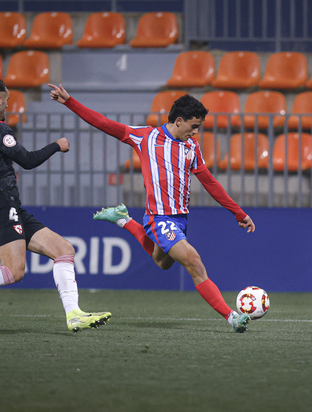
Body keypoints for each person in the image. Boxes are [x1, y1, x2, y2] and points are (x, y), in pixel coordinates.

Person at [49, 83, 255, 333]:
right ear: (179, 121)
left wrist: (238, 212)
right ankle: (232, 317)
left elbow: (209, 181)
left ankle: (124, 220)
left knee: (163, 262)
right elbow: (103, 123)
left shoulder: (192, 147)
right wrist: (70, 102)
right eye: (194, 126)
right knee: (195, 263)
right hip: (159, 218)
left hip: (180, 219)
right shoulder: (146, 137)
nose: (196, 133)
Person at [0, 79, 111, 333]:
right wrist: (56, 146)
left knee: (63, 249)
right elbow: (27, 160)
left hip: (12, 205)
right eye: (6, 100)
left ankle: (74, 314)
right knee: (13, 271)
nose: (8, 104)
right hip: (3, 204)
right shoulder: (1, 130)